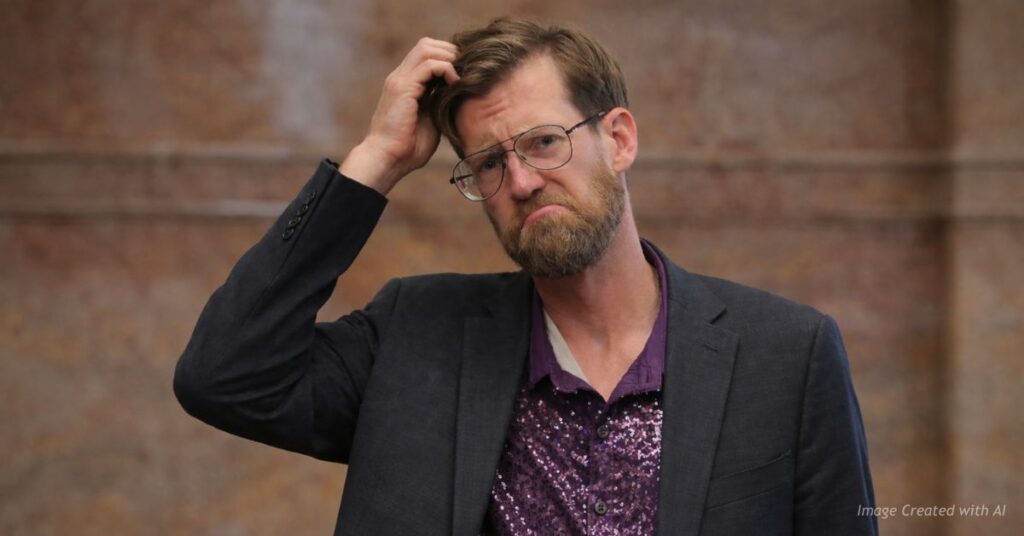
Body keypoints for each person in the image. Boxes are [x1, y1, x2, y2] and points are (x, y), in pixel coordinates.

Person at [174, 17, 877, 535]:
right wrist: (377, 160)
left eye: (545, 143)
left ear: (620, 139)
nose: (520, 181)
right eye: (487, 162)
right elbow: (225, 375)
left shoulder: (787, 354)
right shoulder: (415, 338)